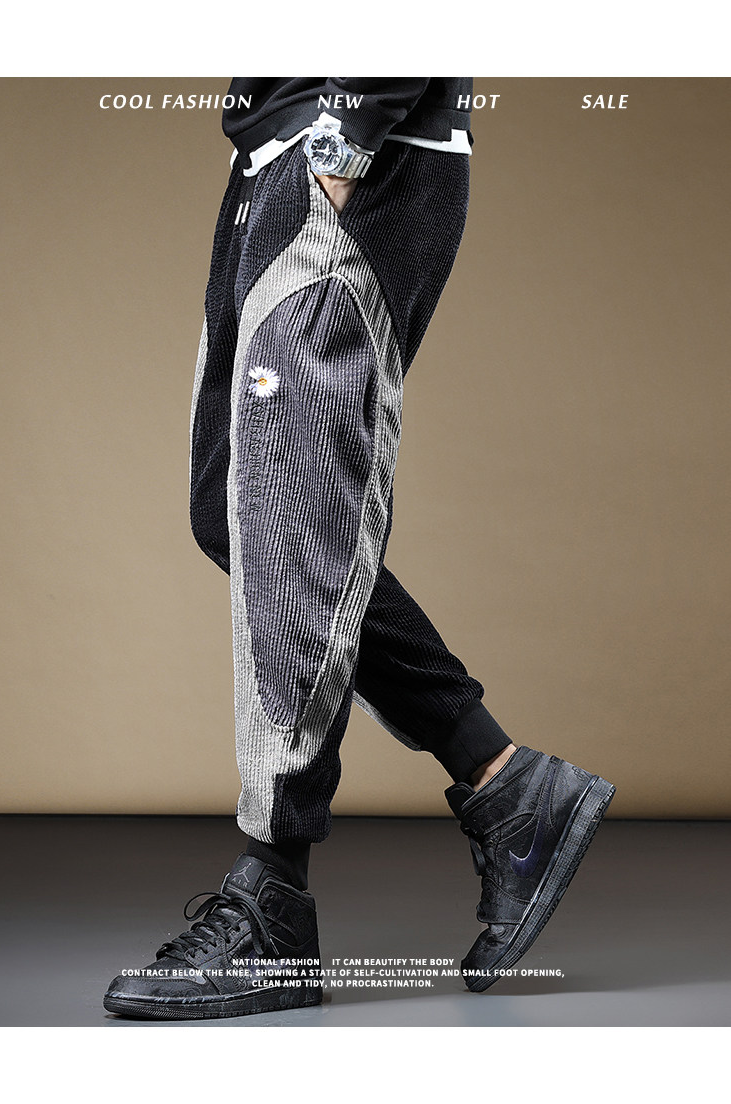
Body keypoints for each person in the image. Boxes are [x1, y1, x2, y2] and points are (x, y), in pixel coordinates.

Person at [103, 78, 615, 1020]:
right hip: (273, 162)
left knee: (294, 516)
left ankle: (273, 896)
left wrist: (344, 139)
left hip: (348, 159)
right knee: (235, 512)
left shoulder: (345, 147)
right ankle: (506, 782)